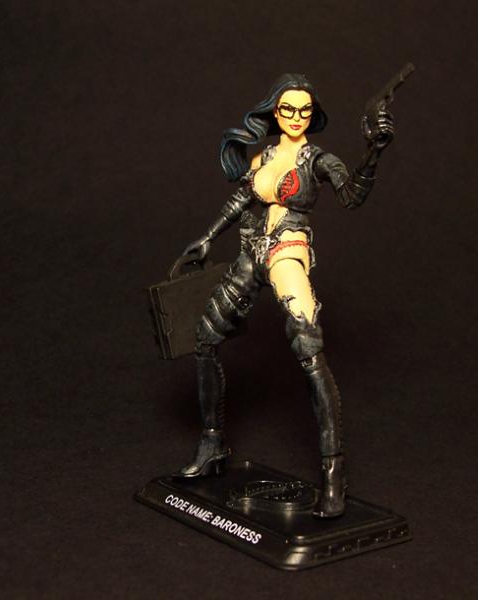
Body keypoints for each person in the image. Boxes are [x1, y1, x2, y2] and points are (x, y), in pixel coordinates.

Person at [175, 73, 394, 518]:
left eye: (304, 110)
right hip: (251, 253)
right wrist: (208, 237)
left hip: (287, 251)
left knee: (308, 350)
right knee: (205, 338)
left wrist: (373, 151)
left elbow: (351, 195)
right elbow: (242, 199)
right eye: (287, 109)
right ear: (274, 111)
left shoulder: (319, 160)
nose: (295, 117)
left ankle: (333, 473)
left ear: (313, 115)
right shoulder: (266, 154)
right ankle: (213, 443)